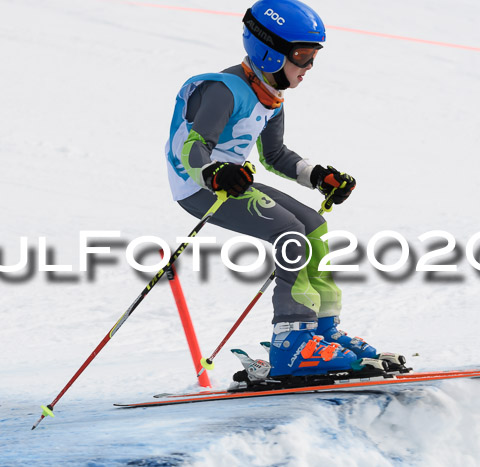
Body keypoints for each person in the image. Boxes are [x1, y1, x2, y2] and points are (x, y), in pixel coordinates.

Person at [164, 0, 386, 378]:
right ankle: (292, 343)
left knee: (313, 224)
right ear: (268, 51)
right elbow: (191, 148)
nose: (309, 67)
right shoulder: (224, 90)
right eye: (302, 56)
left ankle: (321, 331)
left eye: (314, 56)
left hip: (231, 181)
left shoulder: (270, 95)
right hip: (198, 186)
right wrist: (214, 173)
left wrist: (318, 176)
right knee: (290, 233)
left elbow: (276, 155)